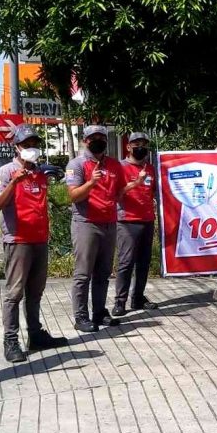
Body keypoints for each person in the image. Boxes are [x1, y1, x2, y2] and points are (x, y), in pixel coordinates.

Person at [0, 124, 69, 362]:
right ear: (16, 147)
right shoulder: (5, 173)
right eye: (27, 145)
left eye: (35, 145)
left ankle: (35, 334)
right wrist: (14, 183)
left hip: (39, 239)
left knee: (36, 291)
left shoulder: (41, 174)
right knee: (14, 293)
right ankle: (11, 340)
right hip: (18, 240)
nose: (31, 149)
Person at [65, 125, 126, 333]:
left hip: (109, 223)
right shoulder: (77, 164)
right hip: (86, 223)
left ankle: (99, 312)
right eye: (93, 138)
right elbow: (73, 196)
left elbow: (119, 192)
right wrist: (91, 183)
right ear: (85, 140)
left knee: (103, 273)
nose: (98, 140)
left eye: (101, 137)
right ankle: (81, 316)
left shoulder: (114, 165)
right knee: (83, 274)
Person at [113, 132, 158, 316]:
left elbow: (154, 192)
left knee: (144, 262)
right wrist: (135, 183)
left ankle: (138, 298)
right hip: (127, 221)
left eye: (144, 144)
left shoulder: (150, 168)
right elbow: (116, 195)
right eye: (136, 144)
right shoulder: (120, 167)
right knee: (126, 262)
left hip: (147, 220)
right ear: (128, 147)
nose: (141, 147)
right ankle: (120, 301)